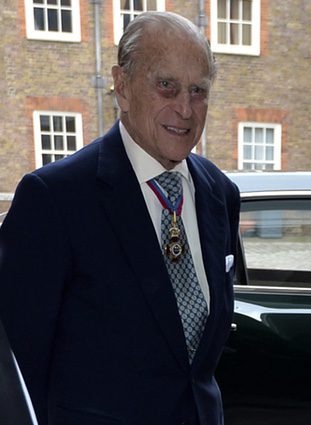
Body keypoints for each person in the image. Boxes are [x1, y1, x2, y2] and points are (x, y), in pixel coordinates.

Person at [0, 11, 240, 425]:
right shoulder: (55, 198)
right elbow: (17, 367)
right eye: (166, 85)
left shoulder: (221, 193)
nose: (185, 108)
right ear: (123, 86)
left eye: (198, 90)